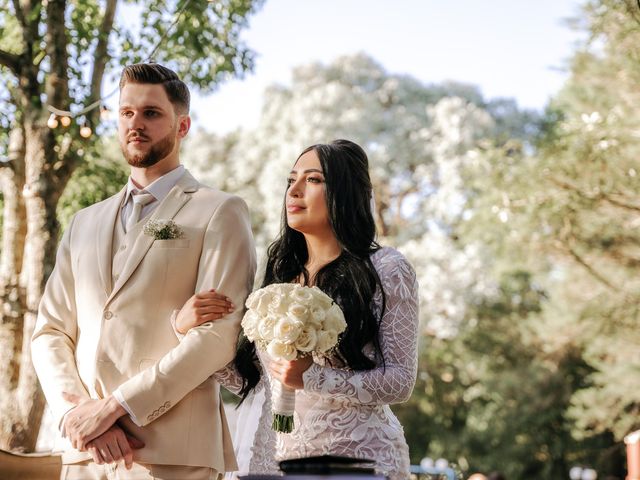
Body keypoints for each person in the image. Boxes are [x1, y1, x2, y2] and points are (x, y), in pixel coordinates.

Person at [31, 63, 256, 480]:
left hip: (173, 453)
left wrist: (115, 407)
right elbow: (50, 332)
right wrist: (78, 414)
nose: (136, 124)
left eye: (151, 113)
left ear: (182, 125)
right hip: (85, 455)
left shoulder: (219, 211)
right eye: (126, 113)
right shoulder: (83, 222)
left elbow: (218, 336)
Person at [176, 139, 420, 479]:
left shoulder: (386, 269)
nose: (295, 190)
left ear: (344, 193)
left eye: (313, 180)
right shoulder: (278, 278)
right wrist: (187, 331)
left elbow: (400, 381)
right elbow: (254, 382)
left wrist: (313, 377)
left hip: (356, 459)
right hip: (274, 459)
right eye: (291, 180)